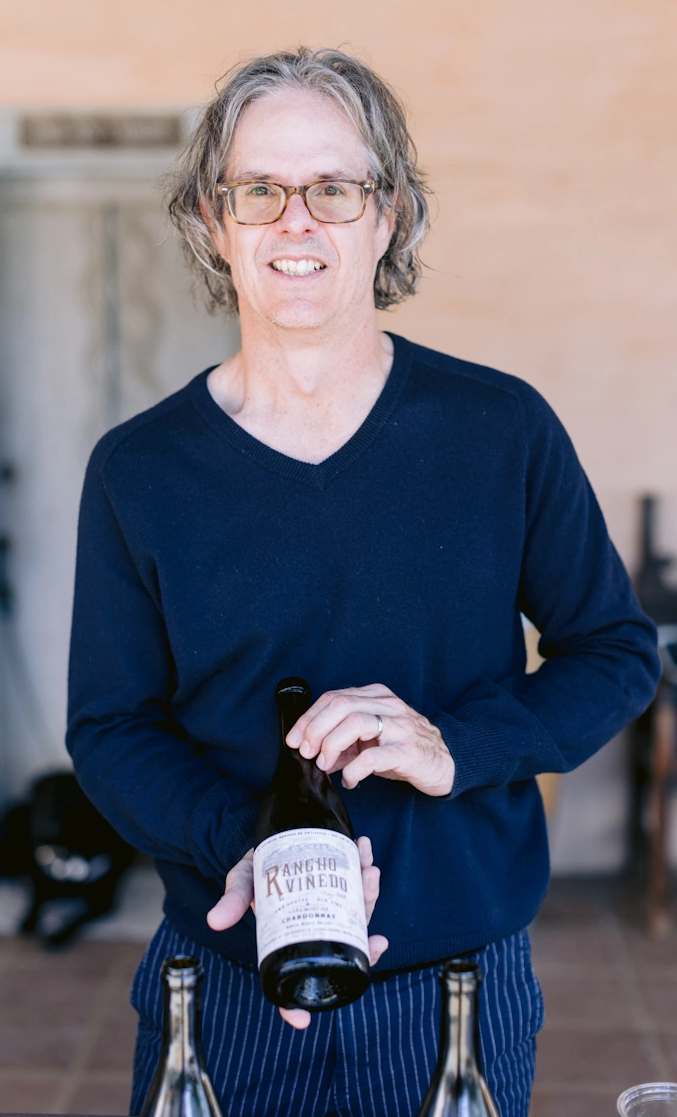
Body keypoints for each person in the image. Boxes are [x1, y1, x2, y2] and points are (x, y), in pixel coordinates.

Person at [66, 47, 660, 1117]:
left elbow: (613, 653)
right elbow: (111, 726)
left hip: (453, 989)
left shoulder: (498, 430)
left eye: (334, 188)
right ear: (213, 220)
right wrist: (244, 846)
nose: (297, 221)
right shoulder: (138, 470)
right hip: (225, 981)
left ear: (387, 216)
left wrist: (455, 743)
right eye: (260, 190)